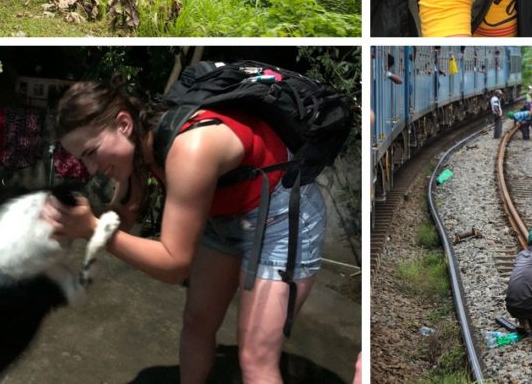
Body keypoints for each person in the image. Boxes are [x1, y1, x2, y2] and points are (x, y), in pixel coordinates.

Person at [44, 79, 328, 384]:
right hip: (223, 216)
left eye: (91, 152)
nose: (90, 168)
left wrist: (90, 228)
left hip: (281, 218)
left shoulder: (191, 147)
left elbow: (174, 266)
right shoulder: (138, 149)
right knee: (196, 323)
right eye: (82, 158)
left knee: (255, 359)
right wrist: (70, 219)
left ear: (123, 124)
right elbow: (122, 217)